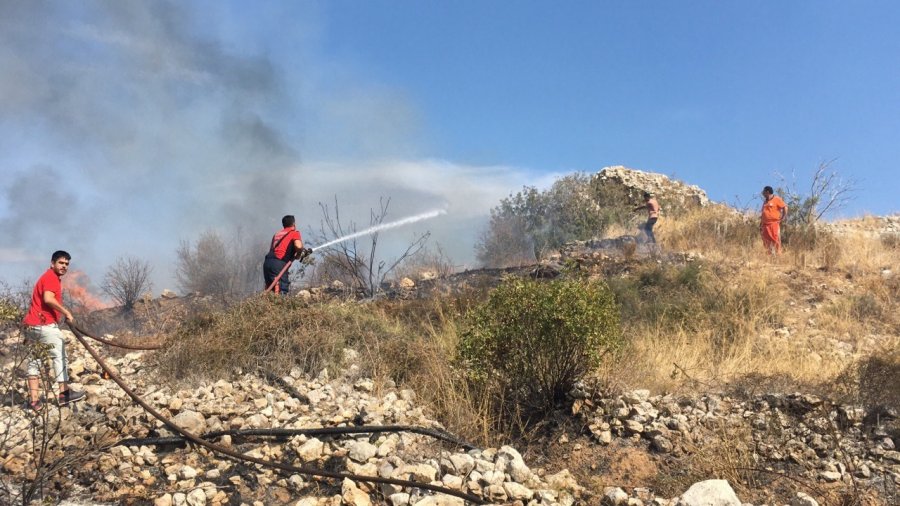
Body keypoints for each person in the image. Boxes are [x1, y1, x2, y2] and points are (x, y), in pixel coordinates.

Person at [22, 250, 85, 411]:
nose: (64, 266)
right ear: (52, 263)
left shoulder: (46, 277)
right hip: (45, 326)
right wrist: (67, 312)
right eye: (61, 263)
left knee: (34, 362)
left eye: (66, 264)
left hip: (31, 326)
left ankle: (34, 401)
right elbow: (48, 299)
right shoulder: (51, 278)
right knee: (60, 357)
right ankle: (64, 395)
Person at [263, 215, 305, 294]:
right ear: (294, 224)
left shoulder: (277, 234)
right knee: (282, 290)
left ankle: (267, 305)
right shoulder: (294, 233)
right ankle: (279, 305)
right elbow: (298, 246)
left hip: (267, 263)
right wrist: (299, 254)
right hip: (279, 264)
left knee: (270, 290)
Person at [760, 186, 788, 255]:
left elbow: (785, 207)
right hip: (765, 225)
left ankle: (778, 254)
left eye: (764, 192)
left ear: (767, 192)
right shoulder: (765, 202)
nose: (763, 193)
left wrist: (783, 217)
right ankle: (769, 255)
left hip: (774, 224)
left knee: (775, 239)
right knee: (766, 240)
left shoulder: (776, 199)